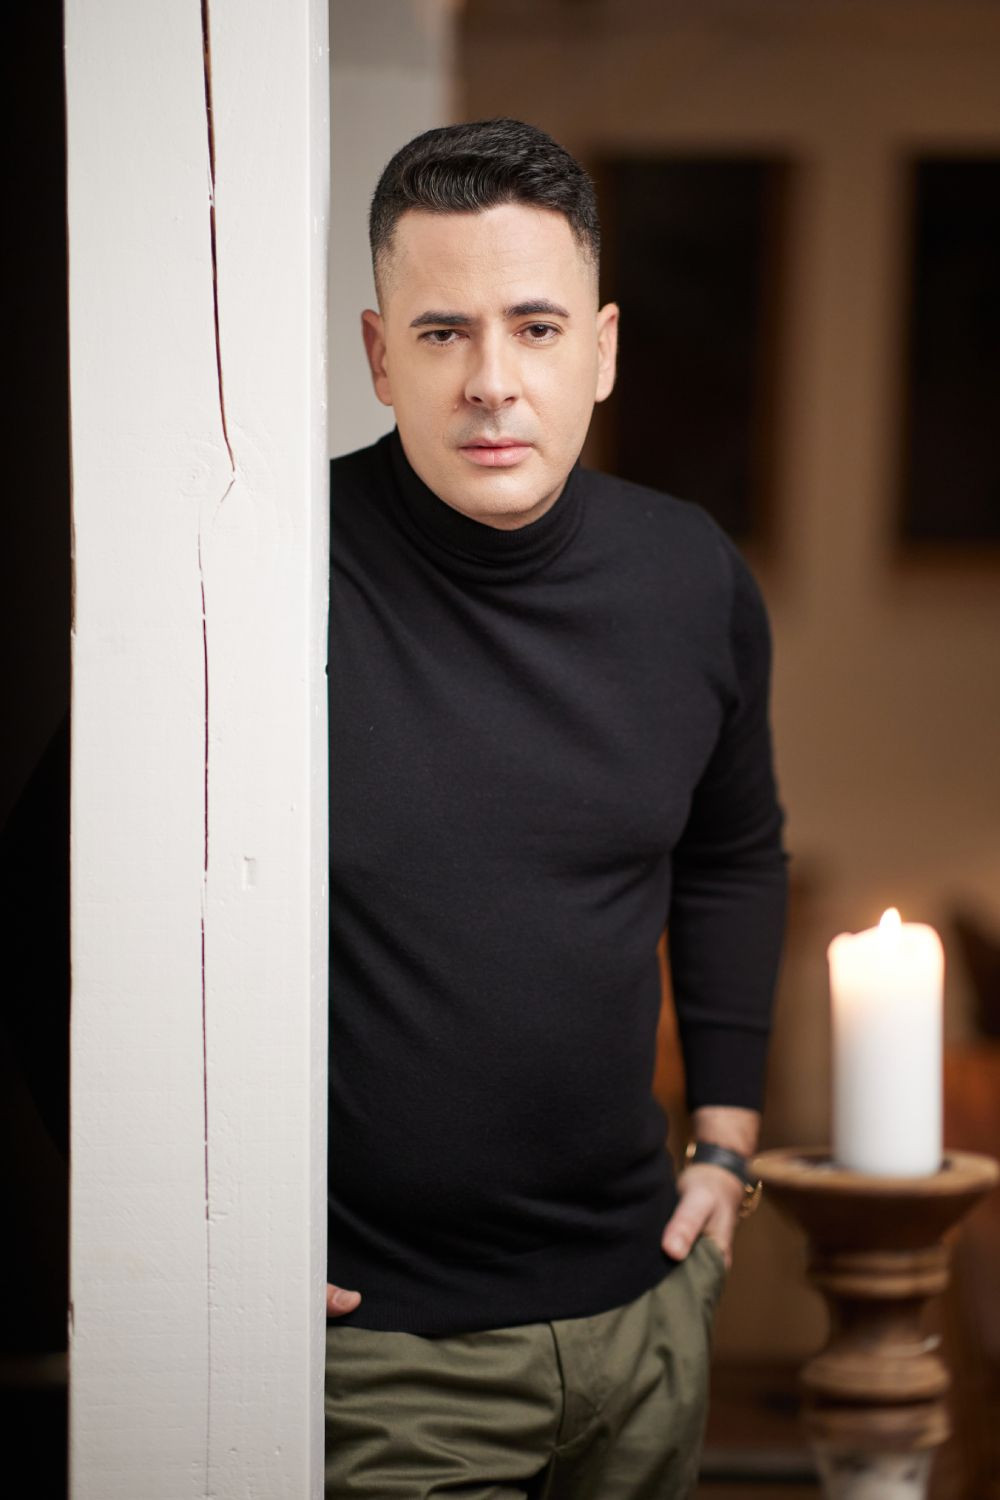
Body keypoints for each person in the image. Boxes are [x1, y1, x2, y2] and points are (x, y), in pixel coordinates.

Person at [323, 117, 789, 1499]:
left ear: (603, 347)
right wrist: (192, 1228)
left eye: (534, 327)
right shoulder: (271, 578)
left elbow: (734, 855)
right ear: (379, 355)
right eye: (443, 333)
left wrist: (727, 1142)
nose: (492, 382)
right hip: (385, 1349)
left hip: (645, 1316)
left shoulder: (690, 578)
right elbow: (49, 894)